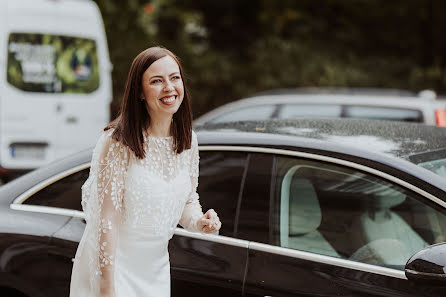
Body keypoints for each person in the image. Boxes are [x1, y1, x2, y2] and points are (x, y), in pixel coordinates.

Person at [69, 46, 222, 297]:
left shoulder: (188, 141)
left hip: (156, 270)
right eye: (156, 81)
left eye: (174, 78)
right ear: (140, 91)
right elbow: (106, 222)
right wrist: (107, 289)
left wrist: (199, 221)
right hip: (116, 270)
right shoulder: (119, 143)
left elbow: (187, 200)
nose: (169, 88)